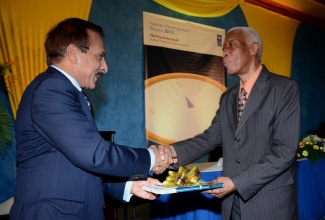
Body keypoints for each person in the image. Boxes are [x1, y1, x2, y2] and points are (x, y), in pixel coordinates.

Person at [9, 18, 172, 220]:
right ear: (73, 54)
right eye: (100, 56)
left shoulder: (69, 92)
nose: (105, 67)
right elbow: (94, 154)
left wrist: (128, 186)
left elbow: (77, 164)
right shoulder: (51, 90)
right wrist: (151, 158)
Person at [164, 27, 301, 220]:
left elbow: (285, 151)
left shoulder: (284, 89)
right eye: (223, 49)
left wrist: (237, 182)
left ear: (253, 49)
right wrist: (170, 153)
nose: (225, 52)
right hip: (233, 204)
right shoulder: (227, 97)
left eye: (231, 45)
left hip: (270, 204)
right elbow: (210, 137)